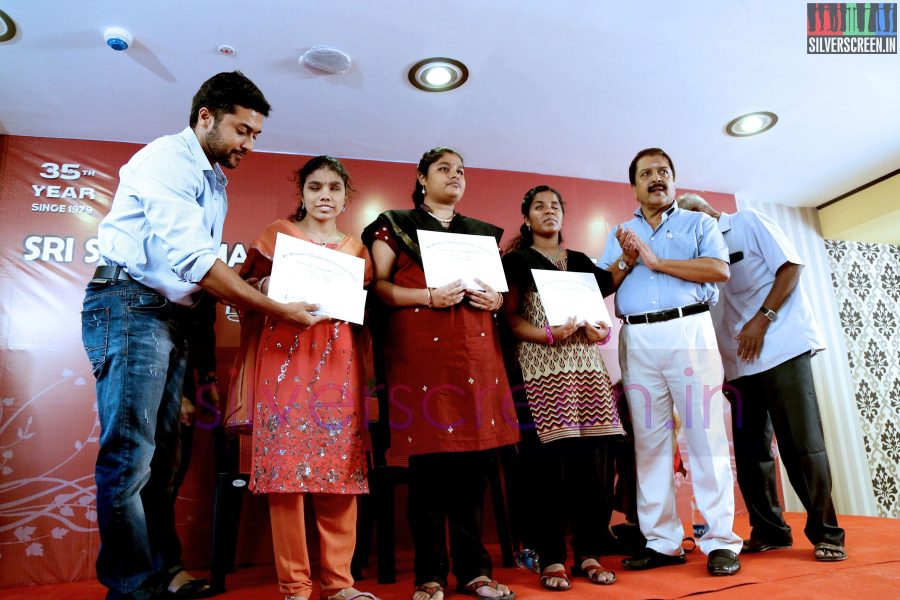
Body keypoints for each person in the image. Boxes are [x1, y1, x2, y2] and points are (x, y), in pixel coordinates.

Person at [81, 71, 325, 600]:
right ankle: (131, 589)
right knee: (131, 457)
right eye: (243, 130)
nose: (249, 144)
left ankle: (163, 571)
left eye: (256, 134)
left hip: (169, 317)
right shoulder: (168, 160)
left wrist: (259, 288)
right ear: (206, 117)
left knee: (164, 458)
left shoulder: (213, 178)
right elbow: (196, 262)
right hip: (129, 307)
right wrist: (276, 308)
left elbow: (199, 274)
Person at [362, 147, 519, 600]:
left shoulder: (478, 235)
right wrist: (428, 297)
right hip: (422, 361)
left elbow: (497, 298)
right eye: (444, 169)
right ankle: (429, 576)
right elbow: (381, 289)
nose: (455, 176)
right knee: (429, 471)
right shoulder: (395, 225)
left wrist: (495, 302)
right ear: (421, 177)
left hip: (475, 358)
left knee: (473, 470)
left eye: (461, 171)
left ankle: (475, 572)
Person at [234, 156, 378, 600]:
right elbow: (245, 290)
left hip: (339, 363)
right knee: (286, 480)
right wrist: (270, 288)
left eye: (334, 188)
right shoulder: (276, 236)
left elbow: (366, 311)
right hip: (282, 362)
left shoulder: (357, 250)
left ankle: (340, 584)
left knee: (338, 474)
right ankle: (294, 586)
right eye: (315, 187)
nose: (324, 196)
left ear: (344, 196)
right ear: (302, 193)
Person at [677, 193, 847, 562]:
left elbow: (790, 267)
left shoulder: (748, 221)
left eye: (693, 220)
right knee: (752, 454)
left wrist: (761, 319)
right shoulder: (699, 256)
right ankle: (770, 531)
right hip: (737, 366)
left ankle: (826, 533)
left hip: (781, 348)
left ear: (707, 212)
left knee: (802, 446)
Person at [597, 148, 742, 576]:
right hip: (637, 335)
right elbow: (605, 283)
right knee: (650, 442)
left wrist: (658, 262)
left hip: (689, 331)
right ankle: (662, 541)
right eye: (646, 174)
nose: (655, 178)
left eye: (663, 172)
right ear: (635, 186)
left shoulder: (698, 222)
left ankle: (719, 540)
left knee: (705, 435)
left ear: (674, 180)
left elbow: (719, 269)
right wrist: (627, 258)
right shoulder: (620, 231)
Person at [501, 185, 624, 591]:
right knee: (546, 471)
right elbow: (511, 320)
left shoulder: (580, 263)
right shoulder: (516, 261)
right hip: (541, 376)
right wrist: (548, 334)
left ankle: (589, 553)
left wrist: (601, 330)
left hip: (588, 375)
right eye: (539, 206)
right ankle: (552, 557)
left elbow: (601, 322)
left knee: (595, 469)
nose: (548, 211)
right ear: (527, 217)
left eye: (555, 206)